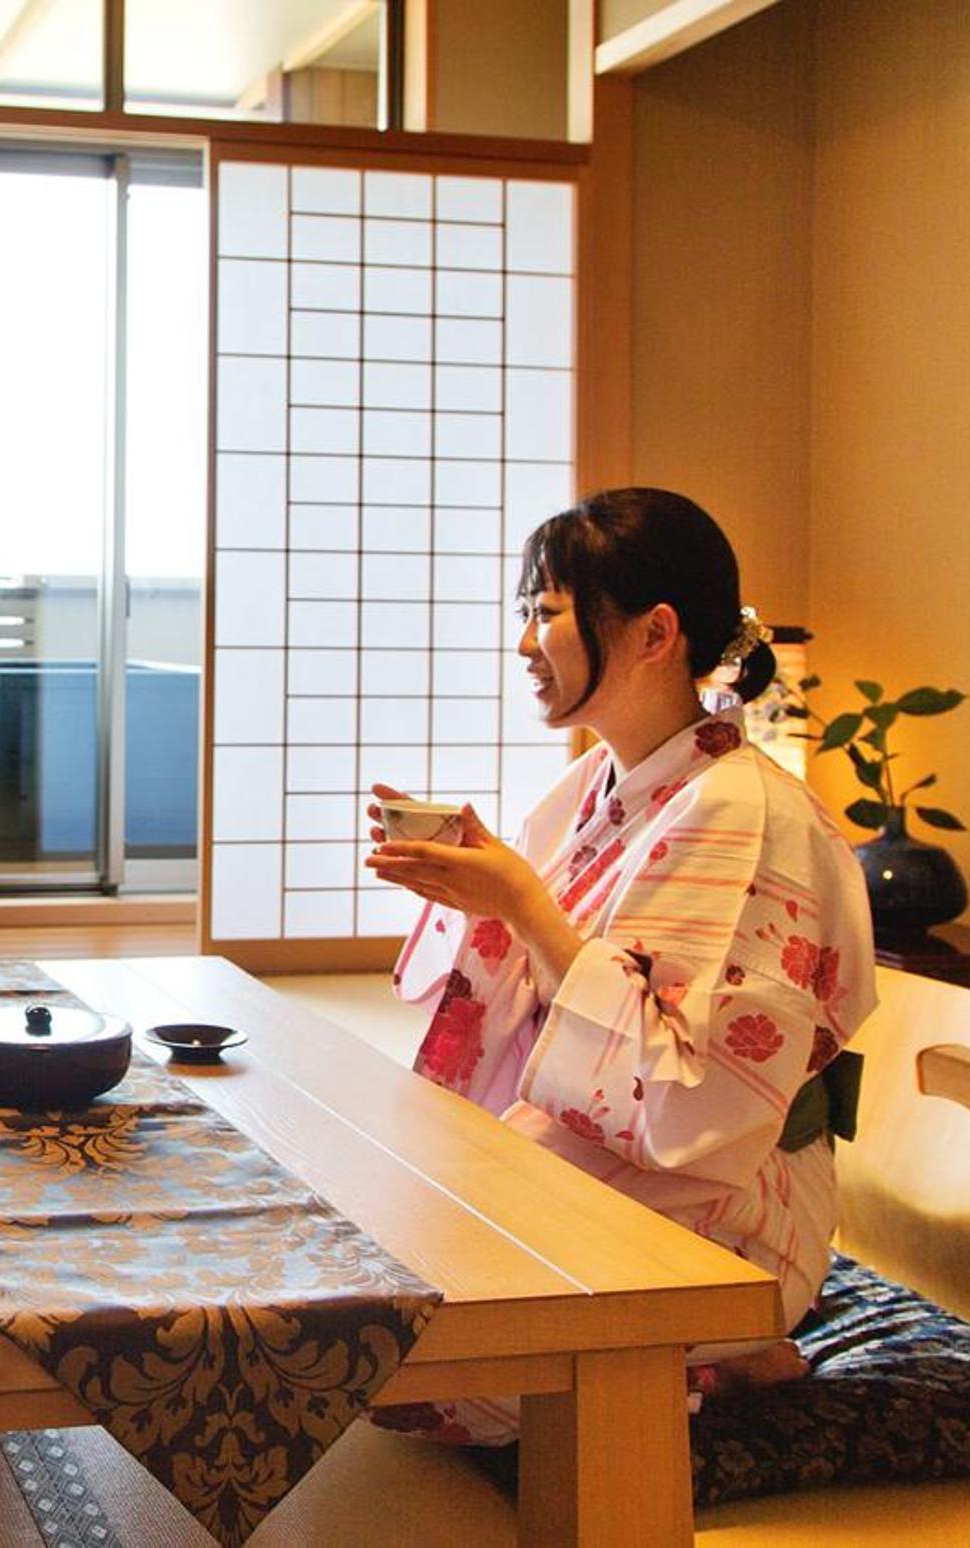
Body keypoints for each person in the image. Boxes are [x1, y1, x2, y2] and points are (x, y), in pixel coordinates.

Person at [361, 487, 875, 1445]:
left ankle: (723, 1339)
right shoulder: (591, 783)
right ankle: (696, 1353)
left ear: (654, 634)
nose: (525, 644)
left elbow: (697, 1097)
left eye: (548, 613)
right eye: (526, 613)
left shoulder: (743, 813)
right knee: (372, 1255)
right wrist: (490, 899)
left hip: (729, 1191)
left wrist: (523, 905)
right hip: (603, 1140)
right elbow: (553, 979)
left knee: (424, 1355)